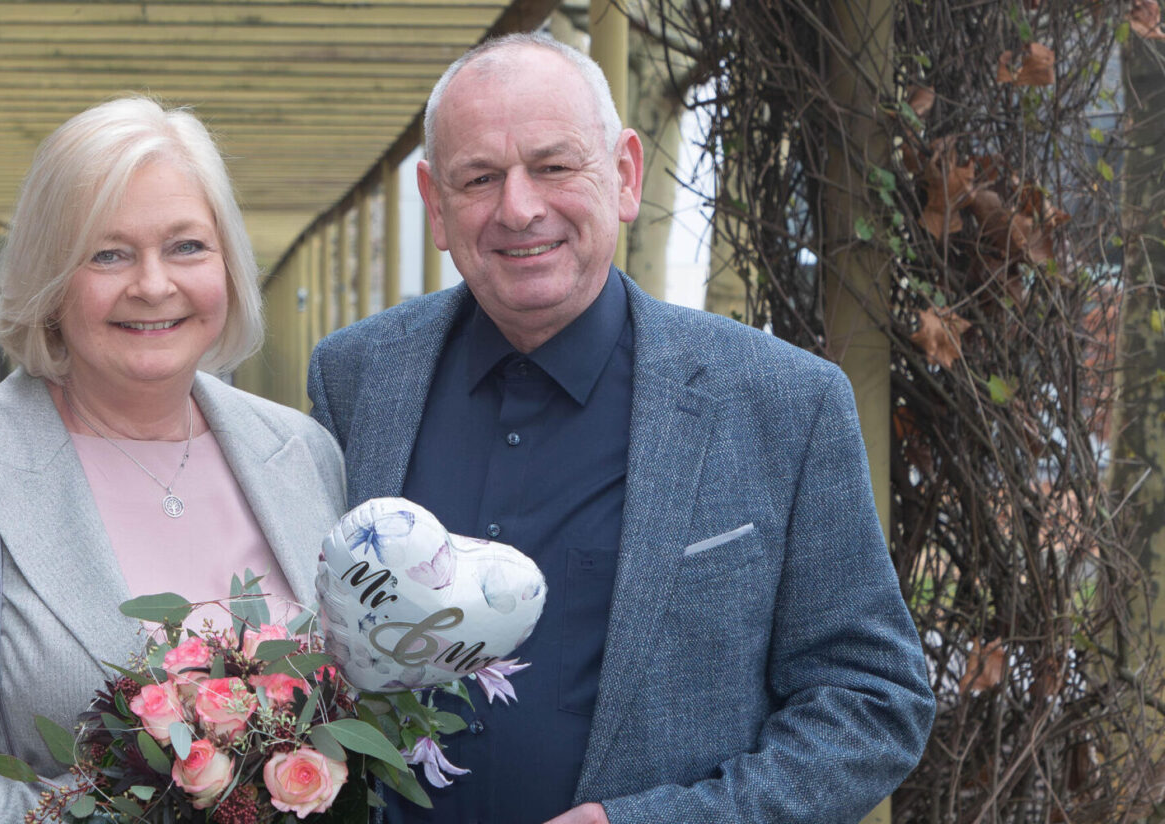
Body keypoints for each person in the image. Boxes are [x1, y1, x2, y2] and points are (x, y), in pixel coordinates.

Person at [308, 33, 934, 824]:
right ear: (436, 204)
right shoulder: (356, 378)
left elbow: (873, 703)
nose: (519, 207)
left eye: (554, 165)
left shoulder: (783, 404)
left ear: (626, 175)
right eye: (479, 178)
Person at [0, 97, 347, 823]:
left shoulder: (305, 454)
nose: (154, 284)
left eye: (187, 246)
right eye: (109, 253)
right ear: (50, 281)